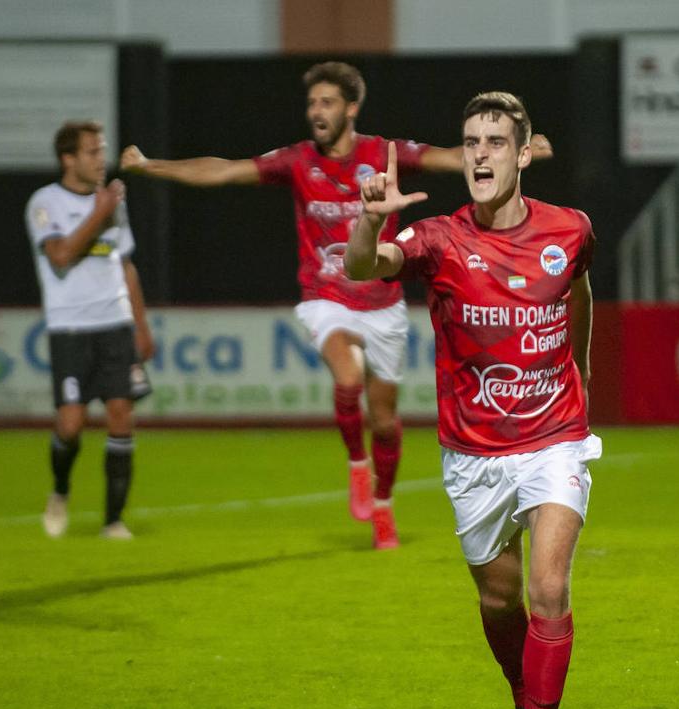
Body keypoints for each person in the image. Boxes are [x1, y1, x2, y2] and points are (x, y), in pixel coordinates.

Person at [121, 62, 552, 550]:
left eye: (326, 102)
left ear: (350, 108)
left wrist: (516, 151)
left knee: (386, 421)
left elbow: (453, 157)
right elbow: (224, 169)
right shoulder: (298, 160)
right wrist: (149, 165)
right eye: (311, 103)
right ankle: (355, 464)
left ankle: (384, 504)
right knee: (347, 380)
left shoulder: (382, 154)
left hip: (382, 301)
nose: (316, 111)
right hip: (326, 294)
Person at [343, 92, 599, 709]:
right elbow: (362, 267)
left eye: (494, 141)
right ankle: (522, 690)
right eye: (471, 142)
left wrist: (584, 368)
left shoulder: (570, 229)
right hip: (473, 454)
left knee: (548, 588)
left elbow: (579, 289)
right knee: (498, 595)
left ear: (522, 152)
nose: (481, 153)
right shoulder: (438, 238)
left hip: (554, 437)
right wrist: (368, 222)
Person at [24, 120, 156, 541]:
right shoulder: (45, 203)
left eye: (102, 150)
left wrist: (141, 324)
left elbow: (126, 264)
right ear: (69, 159)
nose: (102, 158)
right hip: (70, 327)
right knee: (71, 424)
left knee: (121, 416)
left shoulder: (112, 203)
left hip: (114, 323)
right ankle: (60, 490)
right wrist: (99, 212)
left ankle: (113, 521)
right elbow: (60, 255)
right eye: (93, 152)